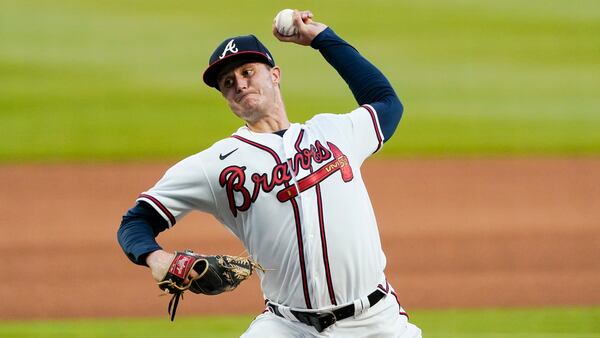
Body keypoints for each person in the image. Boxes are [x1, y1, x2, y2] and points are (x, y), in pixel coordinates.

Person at [117, 9, 422, 337]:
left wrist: (322, 38)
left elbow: (386, 102)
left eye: (248, 72)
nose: (240, 85)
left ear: (275, 75)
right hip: (286, 325)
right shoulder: (215, 165)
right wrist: (157, 259)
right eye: (228, 82)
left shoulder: (334, 132)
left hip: (374, 321)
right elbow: (135, 221)